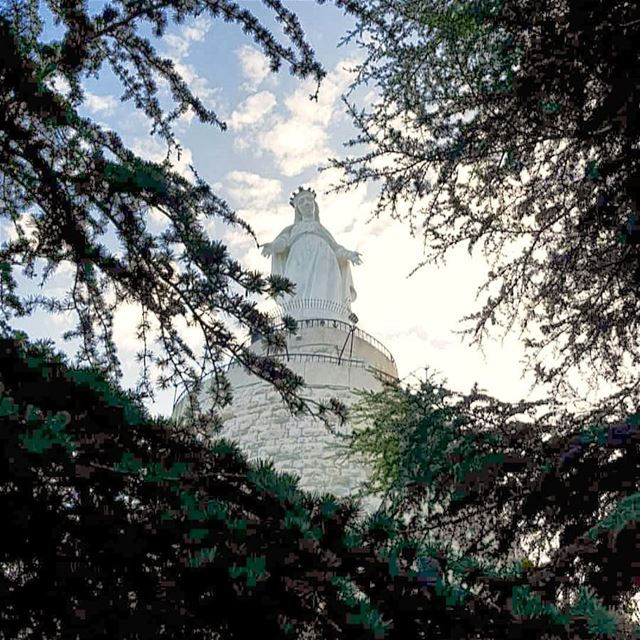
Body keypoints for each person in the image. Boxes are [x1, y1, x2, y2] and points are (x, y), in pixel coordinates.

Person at [261, 187, 361, 319]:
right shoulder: (293, 229)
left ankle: (327, 320)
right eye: (301, 201)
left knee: (323, 292)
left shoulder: (321, 230)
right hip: (299, 261)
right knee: (296, 290)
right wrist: (272, 246)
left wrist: (349, 254)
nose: (306, 203)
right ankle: (296, 321)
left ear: (314, 204)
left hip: (325, 264)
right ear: (297, 209)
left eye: (309, 200)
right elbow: (282, 243)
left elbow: (336, 248)